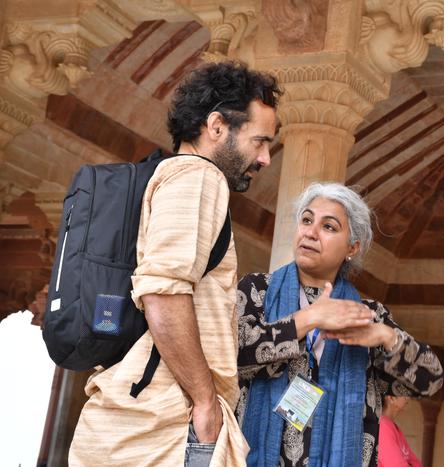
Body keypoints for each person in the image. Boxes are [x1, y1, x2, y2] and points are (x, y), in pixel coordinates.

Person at [69, 61, 281, 466]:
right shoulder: (199, 177)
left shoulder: (166, 174)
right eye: (259, 141)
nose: (265, 158)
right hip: (164, 424)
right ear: (216, 126)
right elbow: (163, 292)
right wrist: (205, 401)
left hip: (135, 418)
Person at [235, 182, 444, 467]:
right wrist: (309, 318)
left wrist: (386, 336)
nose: (310, 232)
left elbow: (430, 381)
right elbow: (230, 356)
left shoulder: (365, 315)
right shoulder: (257, 290)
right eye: (306, 220)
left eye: (328, 227)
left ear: (352, 247)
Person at [378, 395, 422, 467]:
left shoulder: (392, 426)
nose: (408, 397)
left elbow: (416, 463)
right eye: (403, 392)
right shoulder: (383, 425)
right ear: (391, 398)